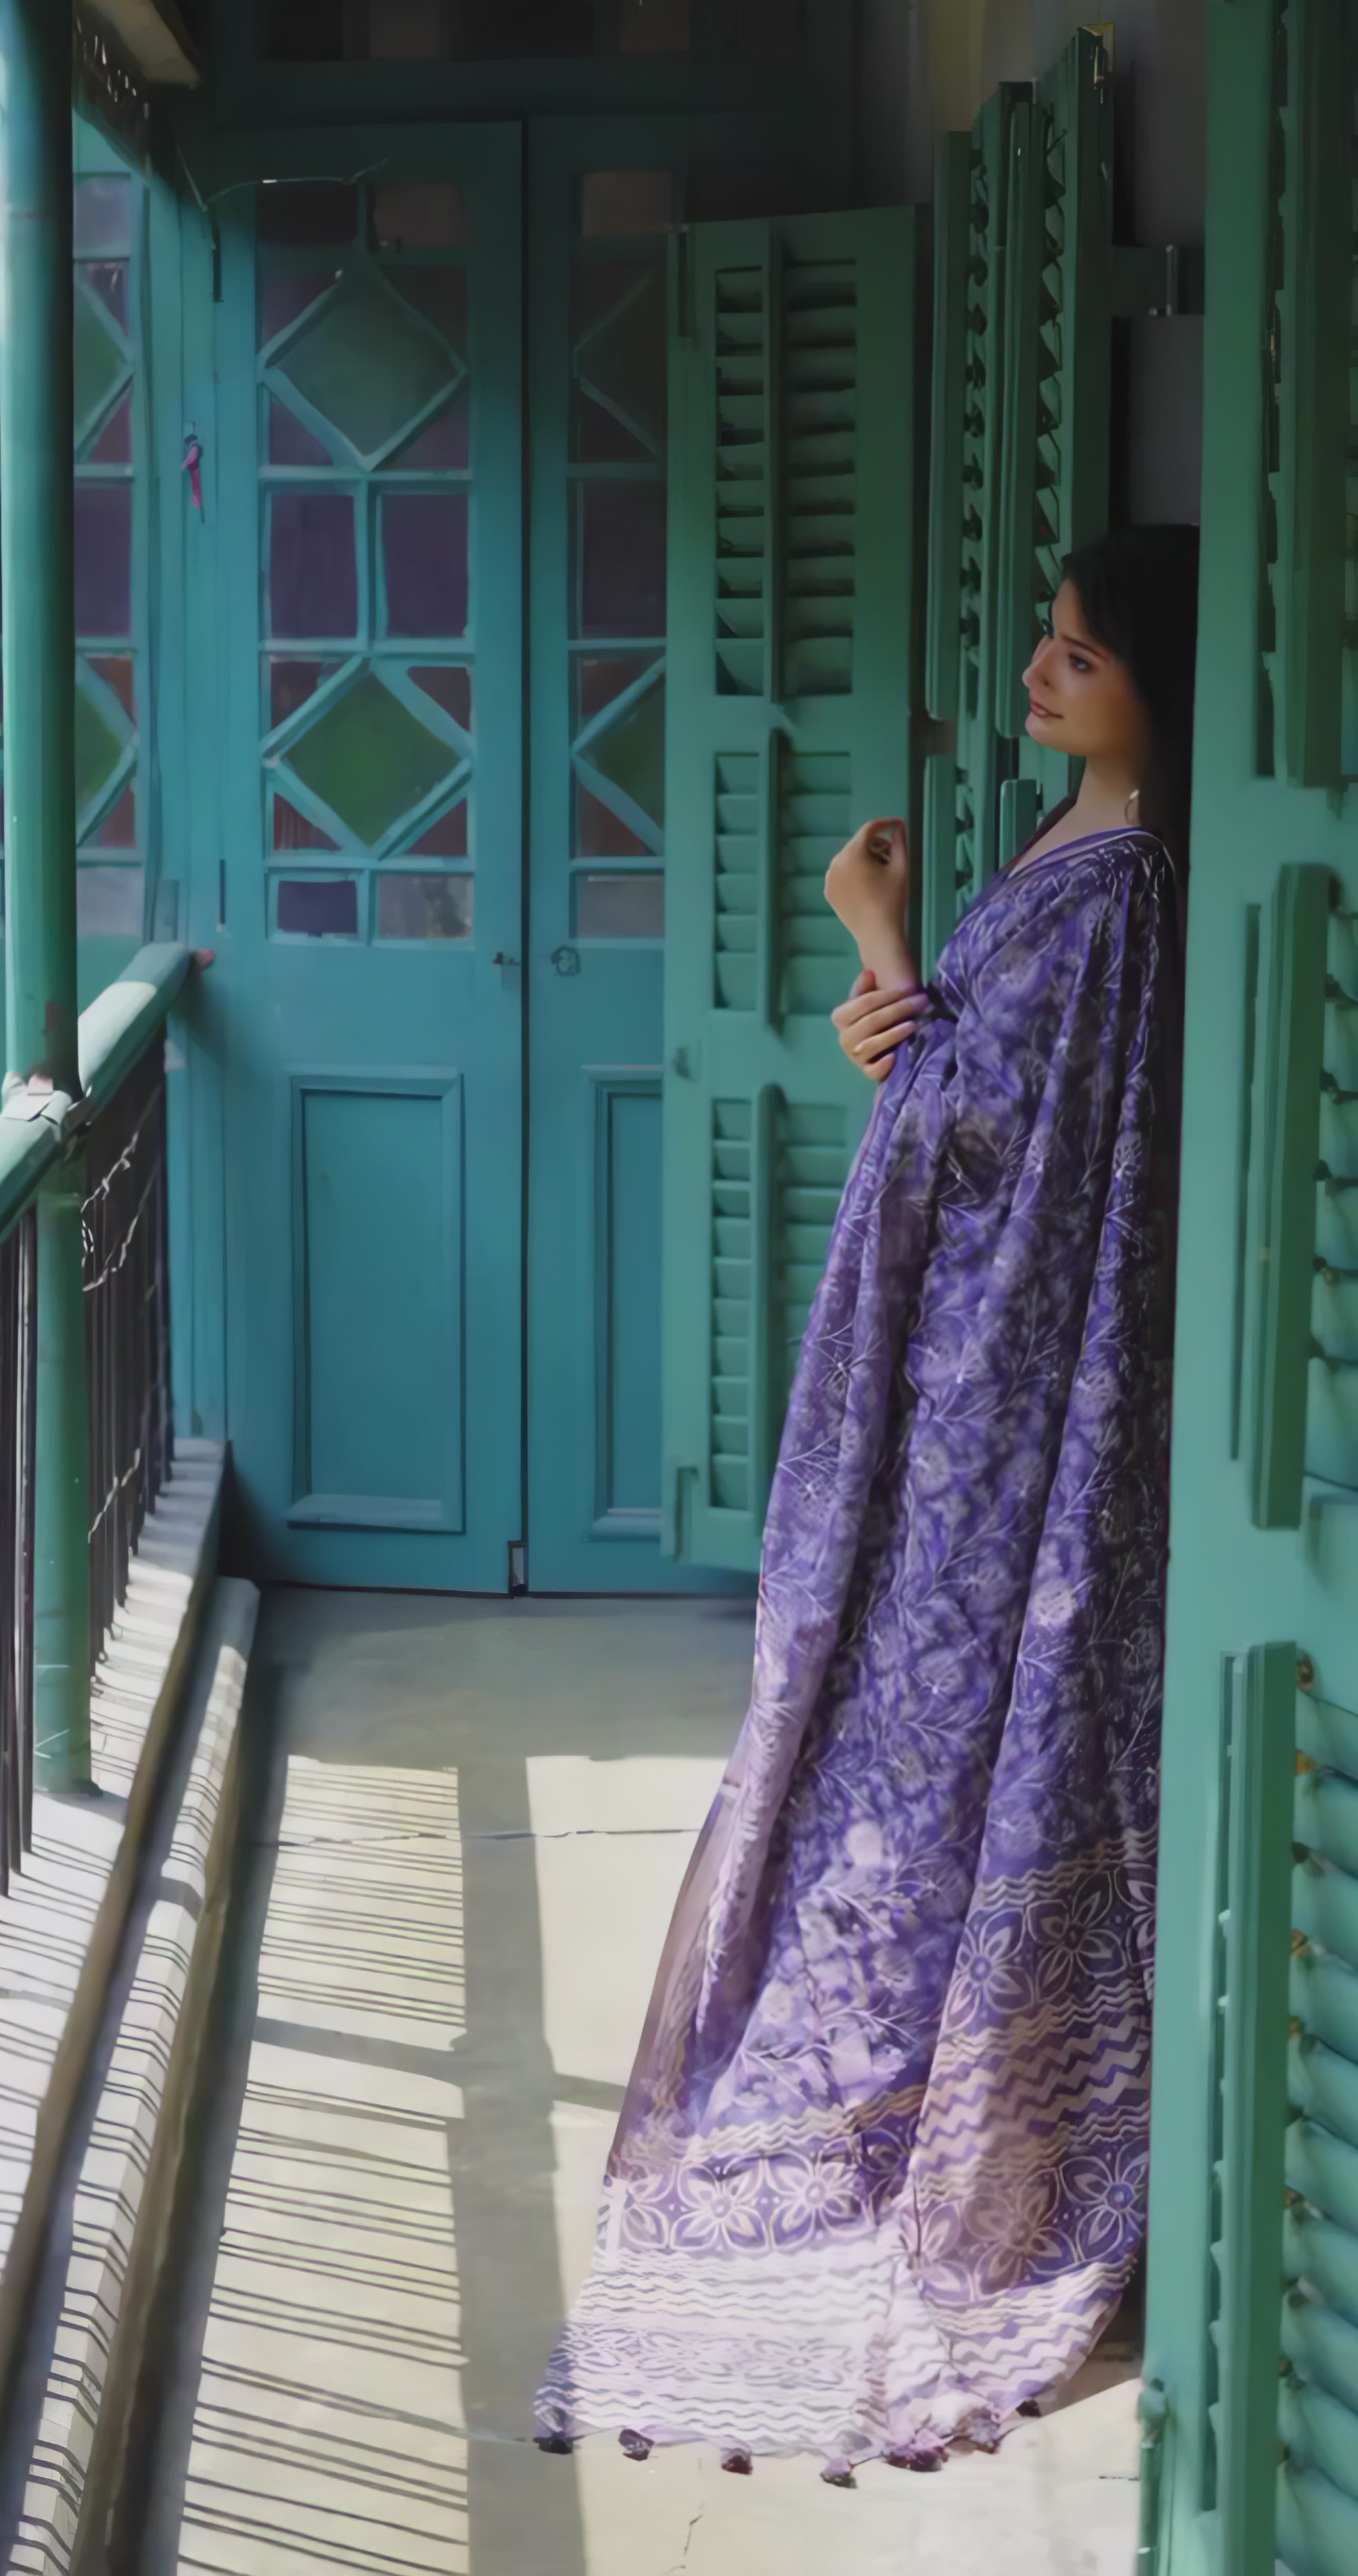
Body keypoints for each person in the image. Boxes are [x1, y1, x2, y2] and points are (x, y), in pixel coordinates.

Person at [537, 524, 1199, 2477]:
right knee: (858, 1742)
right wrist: (894, 1012)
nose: (1040, 671)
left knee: (912, 1754)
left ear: (1159, 683)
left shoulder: (1132, 894)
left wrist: (882, 951)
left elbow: (1011, 1151)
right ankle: (871, 2097)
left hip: (1000, 1418)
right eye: (1050, 642)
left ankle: (947, 2144)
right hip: (941, 1392)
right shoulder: (1068, 852)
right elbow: (953, 1097)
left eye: (1080, 654)